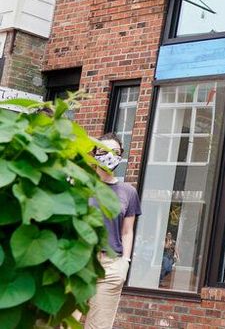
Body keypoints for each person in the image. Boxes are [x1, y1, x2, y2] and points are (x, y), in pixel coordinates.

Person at [85, 133, 142, 329]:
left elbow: (127, 231)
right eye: (104, 151)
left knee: (98, 326)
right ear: (94, 154)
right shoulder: (82, 185)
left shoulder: (128, 192)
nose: (110, 156)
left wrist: (124, 263)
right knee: (66, 322)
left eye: (115, 152)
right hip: (80, 261)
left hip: (111, 267)